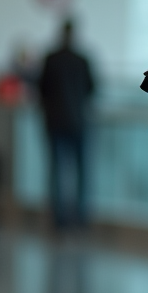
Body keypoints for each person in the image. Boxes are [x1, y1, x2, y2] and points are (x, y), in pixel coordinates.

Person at [38, 20, 96, 230]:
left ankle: (58, 218)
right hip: (78, 122)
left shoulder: (51, 59)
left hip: (55, 122)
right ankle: (80, 217)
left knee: (56, 170)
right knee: (81, 170)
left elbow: (41, 88)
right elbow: (92, 88)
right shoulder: (82, 60)